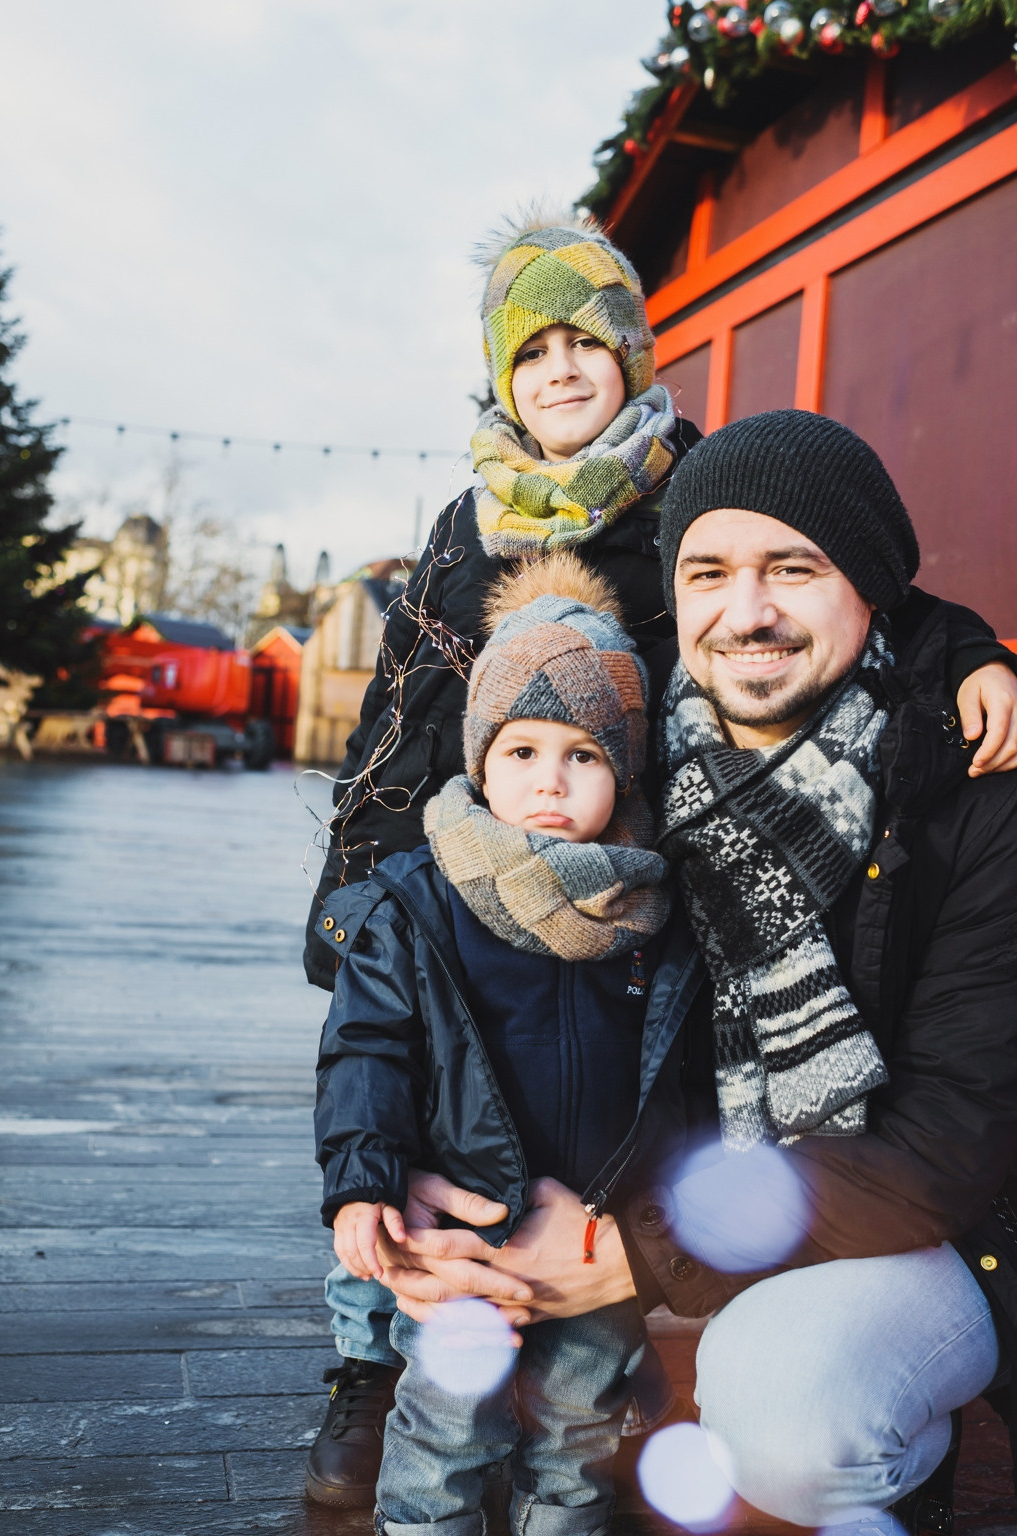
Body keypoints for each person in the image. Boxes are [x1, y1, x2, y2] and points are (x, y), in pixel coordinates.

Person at [303, 209, 1017, 1508]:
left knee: (785, 1425)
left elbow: (952, 1144)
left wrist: (972, 650)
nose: (744, 608)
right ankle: (374, 1376)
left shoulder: (957, 784)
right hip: (571, 1023)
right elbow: (405, 758)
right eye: (710, 576)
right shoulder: (611, 752)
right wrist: (437, 1160)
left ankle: (880, 1430)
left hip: (903, 1221)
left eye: (791, 570)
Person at [314, 554, 702, 1536]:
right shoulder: (417, 903)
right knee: (446, 1439)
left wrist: (652, 1213)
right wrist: (363, 1178)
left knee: (575, 1452)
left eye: (584, 755)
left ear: (623, 768)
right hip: (466, 1242)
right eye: (521, 752)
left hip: (592, 1242)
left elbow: (683, 1073)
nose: (550, 782)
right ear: (479, 760)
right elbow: (366, 1050)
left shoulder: (649, 908)